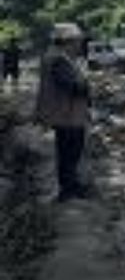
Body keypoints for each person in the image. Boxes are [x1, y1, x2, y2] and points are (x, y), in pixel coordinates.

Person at [35, 23, 91, 202]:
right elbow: (72, 86)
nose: (80, 45)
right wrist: (86, 85)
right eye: (78, 42)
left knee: (68, 153)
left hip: (65, 114)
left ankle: (70, 186)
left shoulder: (58, 57)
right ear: (68, 42)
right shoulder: (59, 60)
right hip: (68, 115)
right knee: (70, 153)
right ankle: (68, 190)